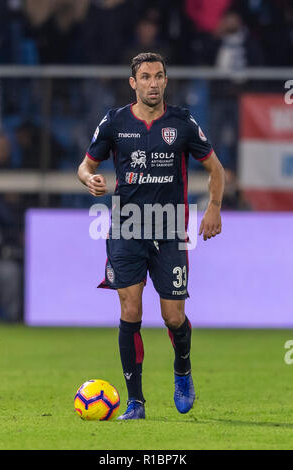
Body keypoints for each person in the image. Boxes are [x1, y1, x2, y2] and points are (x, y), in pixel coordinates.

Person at [78, 52, 225, 420]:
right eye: (146, 77)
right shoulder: (115, 122)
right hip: (127, 226)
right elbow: (86, 164)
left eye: (159, 76)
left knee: (173, 317)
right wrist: (89, 179)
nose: (154, 83)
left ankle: (183, 370)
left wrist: (214, 207)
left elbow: (215, 168)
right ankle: (135, 402)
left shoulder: (182, 123)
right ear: (134, 83)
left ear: (166, 81)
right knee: (130, 310)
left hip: (170, 227)